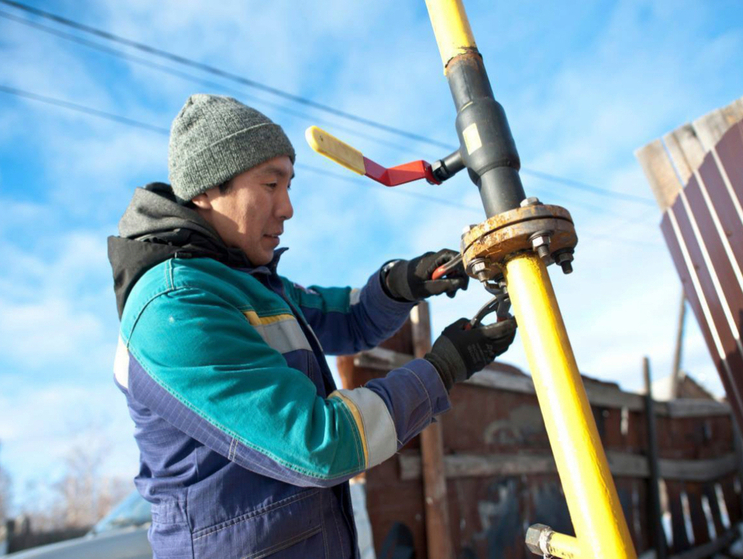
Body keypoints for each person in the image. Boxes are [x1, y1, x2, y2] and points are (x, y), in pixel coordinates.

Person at [108, 94, 517, 558]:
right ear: (205, 190)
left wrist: (403, 282)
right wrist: (442, 370)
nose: (287, 208)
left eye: (290, 185)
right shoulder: (175, 310)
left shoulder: (250, 286)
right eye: (270, 184)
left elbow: (348, 317)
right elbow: (319, 444)